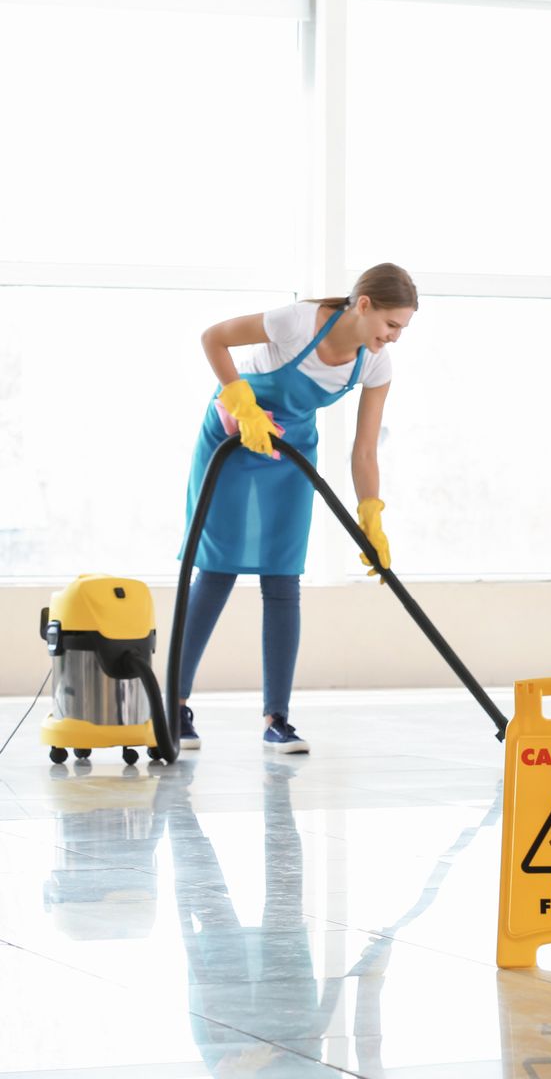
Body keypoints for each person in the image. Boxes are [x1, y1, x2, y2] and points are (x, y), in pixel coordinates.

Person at [175, 264, 417, 754]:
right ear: (364, 303)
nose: (393, 338)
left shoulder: (373, 364)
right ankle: (172, 704)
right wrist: (241, 402)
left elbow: (365, 450)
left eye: (402, 330)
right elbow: (213, 338)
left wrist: (371, 515)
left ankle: (277, 719)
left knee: (283, 576)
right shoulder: (296, 322)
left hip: (292, 452)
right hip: (233, 434)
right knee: (217, 568)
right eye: (391, 325)